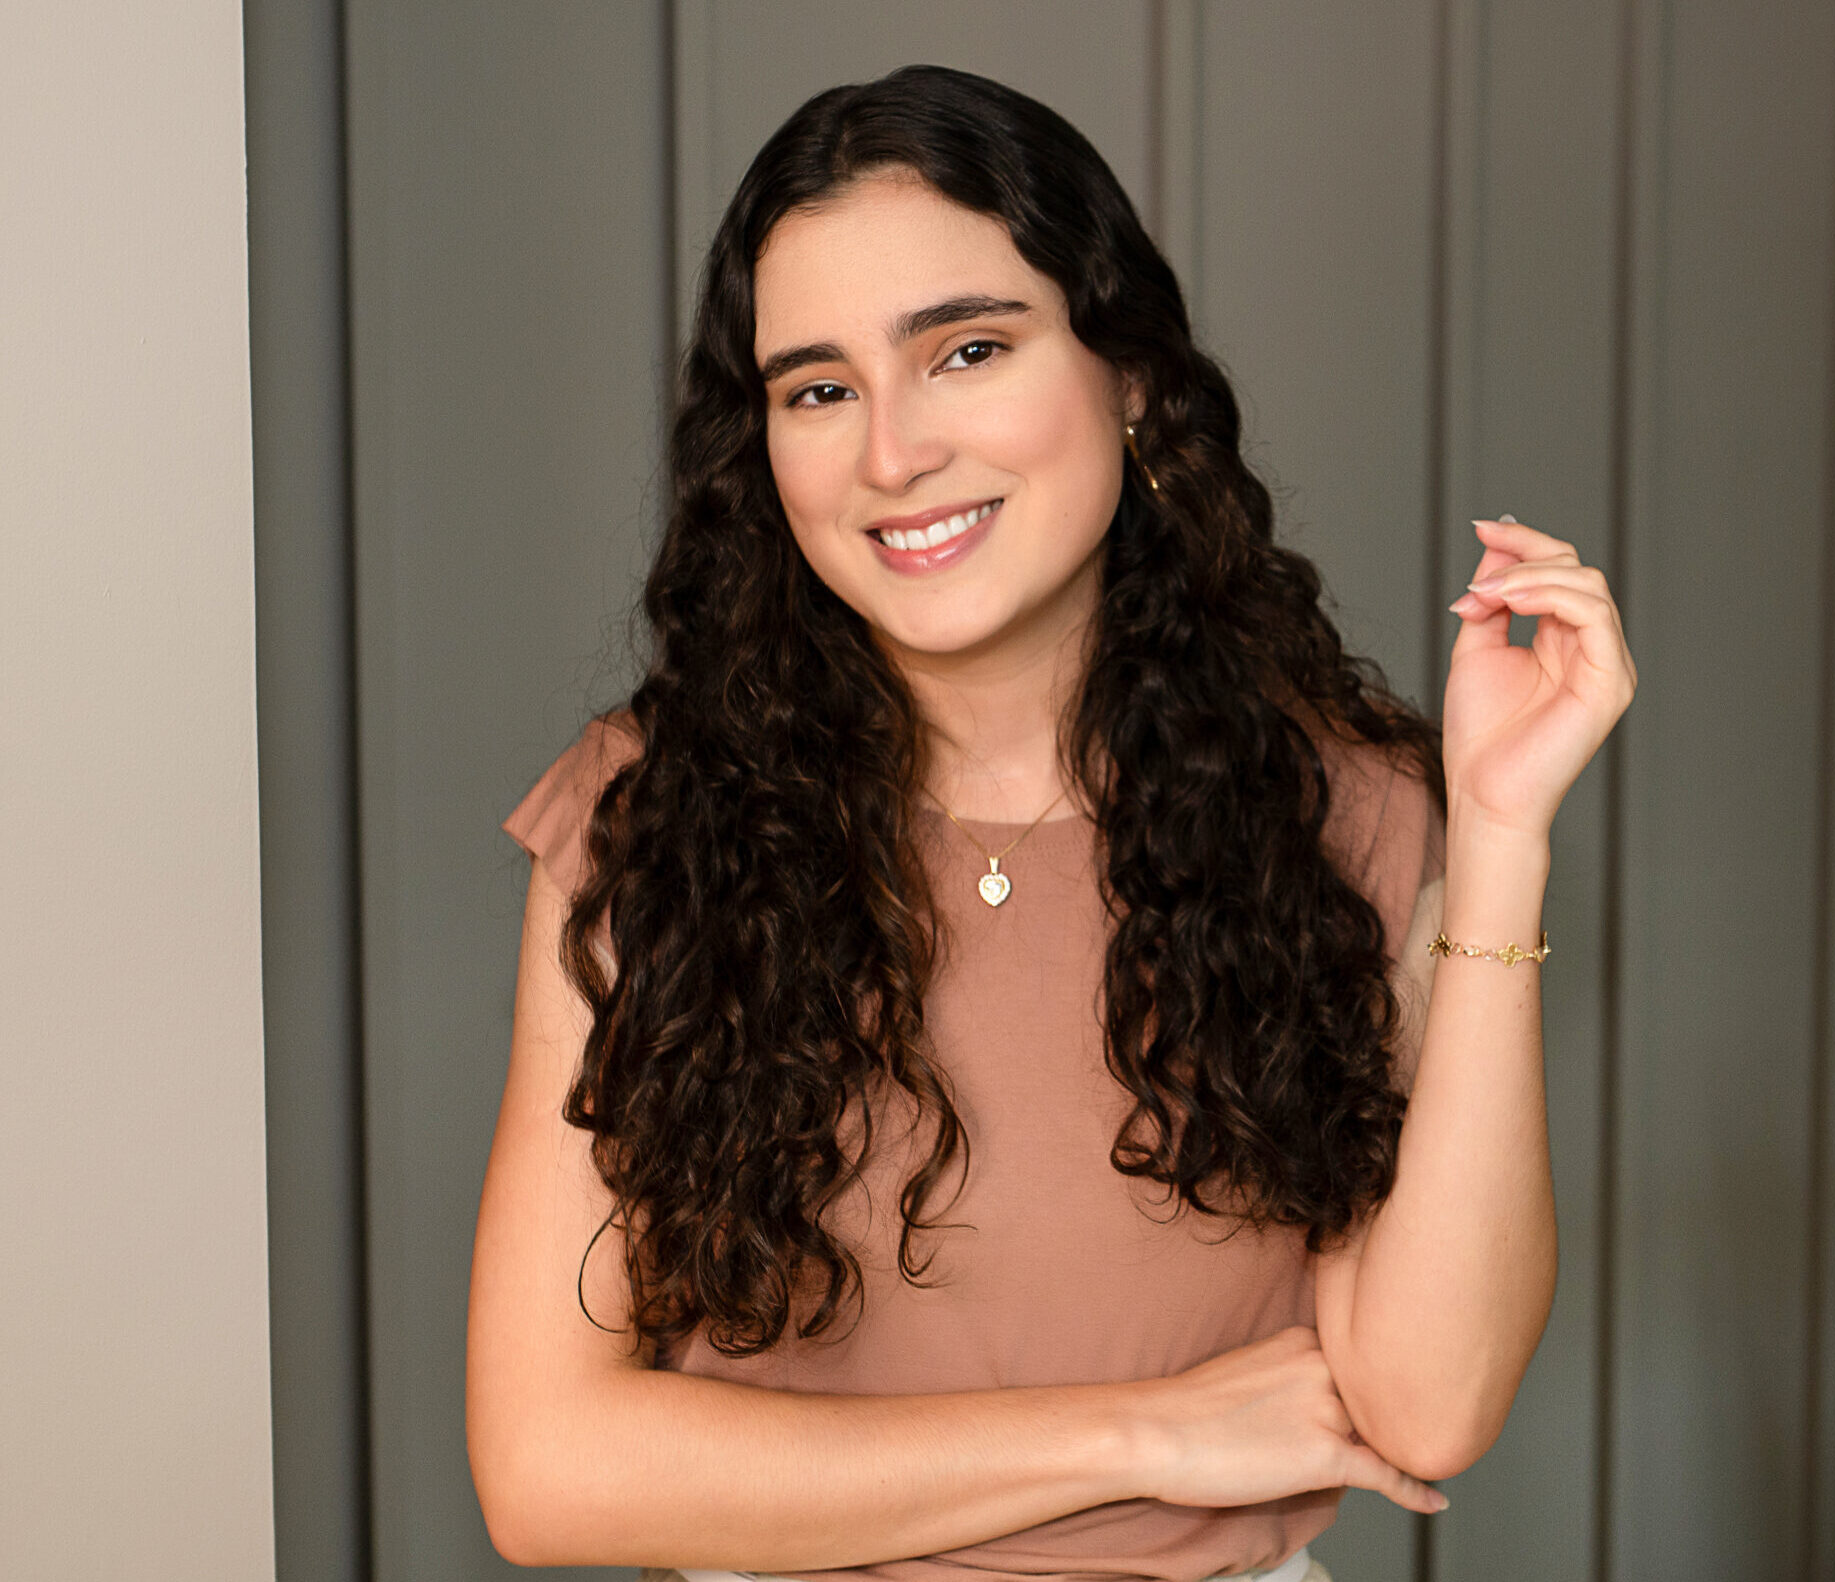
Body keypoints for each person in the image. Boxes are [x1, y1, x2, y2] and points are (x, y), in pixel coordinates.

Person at [465, 62, 1635, 1582]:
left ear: (1127, 375)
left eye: (965, 351)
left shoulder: (1337, 810)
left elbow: (1429, 1401)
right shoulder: (650, 824)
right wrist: (1136, 1438)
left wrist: (1499, 835)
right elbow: (547, 1468)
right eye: (818, 389)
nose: (891, 454)